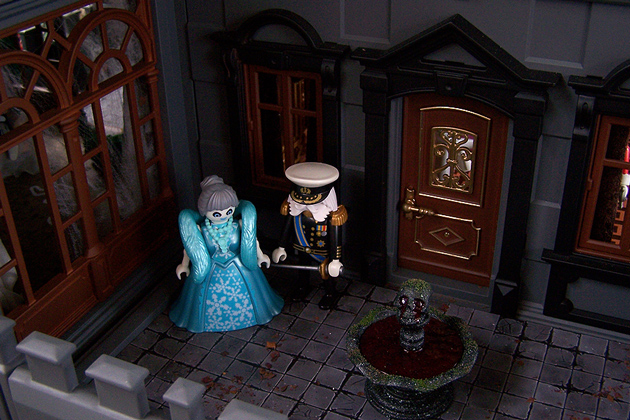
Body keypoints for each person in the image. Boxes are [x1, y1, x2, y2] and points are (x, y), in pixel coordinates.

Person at [170, 175, 284, 332]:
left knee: (254, 294)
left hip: (239, 266)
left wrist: (261, 255)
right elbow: (190, 249)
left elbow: (252, 240)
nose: (224, 215)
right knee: (202, 299)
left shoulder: (238, 225)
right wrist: (184, 265)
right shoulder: (202, 230)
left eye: (229, 210)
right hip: (210, 269)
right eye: (217, 213)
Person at [272, 162, 347, 309]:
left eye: (311, 202)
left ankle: (330, 293)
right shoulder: (294, 209)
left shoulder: (331, 216)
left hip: (323, 251)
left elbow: (335, 238)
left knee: (326, 273)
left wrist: (335, 259)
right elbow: (287, 227)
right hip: (301, 246)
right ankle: (303, 286)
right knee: (302, 268)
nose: (305, 205)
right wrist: (281, 247)